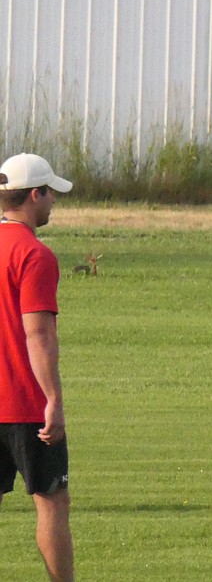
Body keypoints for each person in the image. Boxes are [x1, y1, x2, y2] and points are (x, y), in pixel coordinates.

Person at [0, 153, 75, 582]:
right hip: (26, 405)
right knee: (51, 502)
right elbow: (38, 335)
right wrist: (54, 401)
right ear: (35, 194)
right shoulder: (34, 255)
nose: (52, 204)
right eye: (50, 195)